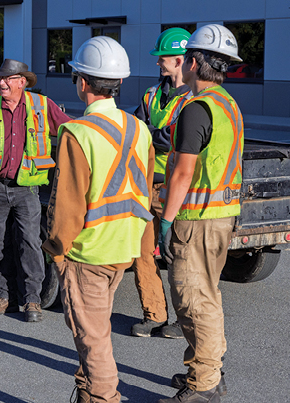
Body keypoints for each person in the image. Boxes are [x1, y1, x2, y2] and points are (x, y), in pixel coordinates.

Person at [43, 36, 155, 403]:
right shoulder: (140, 129)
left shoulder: (78, 132)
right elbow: (145, 193)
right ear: (118, 83)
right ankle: (88, 395)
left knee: (93, 340)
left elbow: (67, 205)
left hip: (88, 251)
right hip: (123, 246)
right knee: (95, 328)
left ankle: (104, 398)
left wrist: (56, 251)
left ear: (82, 82)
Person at [157, 24, 244, 403]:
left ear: (192, 62)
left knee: (193, 299)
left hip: (198, 219)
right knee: (207, 295)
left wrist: (165, 219)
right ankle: (207, 368)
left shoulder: (197, 108)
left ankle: (204, 385)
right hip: (222, 216)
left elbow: (183, 171)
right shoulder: (227, 103)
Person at [0, 58, 70, 322]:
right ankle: (5, 297)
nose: (2, 83)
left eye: (8, 79)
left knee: (30, 243)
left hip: (26, 188)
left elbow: (72, 130)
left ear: (22, 82)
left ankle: (32, 301)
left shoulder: (41, 106)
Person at [130, 27, 193, 339]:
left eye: (163, 58)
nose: (158, 63)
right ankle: (153, 315)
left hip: (176, 189)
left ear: (180, 60)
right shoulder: (150, 95)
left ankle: (183, 320)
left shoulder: (195, 100)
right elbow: (136, 131)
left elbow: (175, 139)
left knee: (177, 257)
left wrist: (152, 136)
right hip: (146, 186)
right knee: (143, 253)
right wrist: (156, 137)